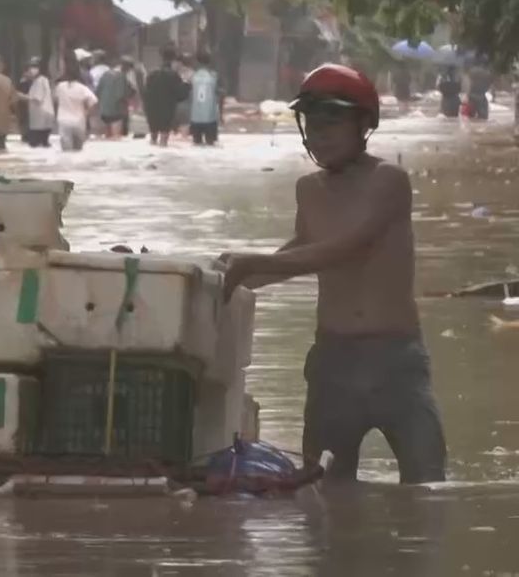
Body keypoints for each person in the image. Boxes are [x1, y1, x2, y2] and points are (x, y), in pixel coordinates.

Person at [219, 63, 446, 484]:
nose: (319, 133)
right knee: (322, 493)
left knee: (427, 487)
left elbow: (348, 247)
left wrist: (256, 263)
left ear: (365, 124)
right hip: (333, 360)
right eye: (312, 122)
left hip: (395, 360)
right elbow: (302, 249)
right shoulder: (308, 188)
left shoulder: (389, 180)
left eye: (332, 120)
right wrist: (224, 278)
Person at [143, 47, 190, 147]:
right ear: (174, 60)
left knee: (153, 139)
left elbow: (145, 93)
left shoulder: (152, 74)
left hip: (152, 110)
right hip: (167, 111)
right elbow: (181, 95)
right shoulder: (173, 75)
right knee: (163, 141)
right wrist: (187, 85)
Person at [54, 64, 98, 152]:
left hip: (63, 121)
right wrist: (86, 113)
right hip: (79, 121)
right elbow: (94, 101)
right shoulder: (82, 88)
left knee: (66, 152)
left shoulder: (60, 87)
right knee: (78, 151)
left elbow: (55, 100)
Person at [188, 51, 224, 146]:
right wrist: (221, 114)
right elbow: (221, 95)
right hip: (210, 118)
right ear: (210, 62)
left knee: (196, 145)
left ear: (197, 62)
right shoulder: (214, 76)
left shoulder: (191, 77)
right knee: (210, 145)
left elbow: (188, 98)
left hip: (195, 117)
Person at [97, 55, 136, 139]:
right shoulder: (121, 77)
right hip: (116, 112)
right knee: (116, 139)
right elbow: (122, 94)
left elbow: (98, 91)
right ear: (125, 67)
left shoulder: (105, 74)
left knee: (107, 138)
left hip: (104, 111)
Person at [24, 58, 55, 148]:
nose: (31, 70)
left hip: (41, 121)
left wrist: (22, 96)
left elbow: (37, 98)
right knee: (41, 145)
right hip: (41, 120)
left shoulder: (41, 81)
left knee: (35, 145)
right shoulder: (38, 81)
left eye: (34, 67)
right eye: (30, 67)